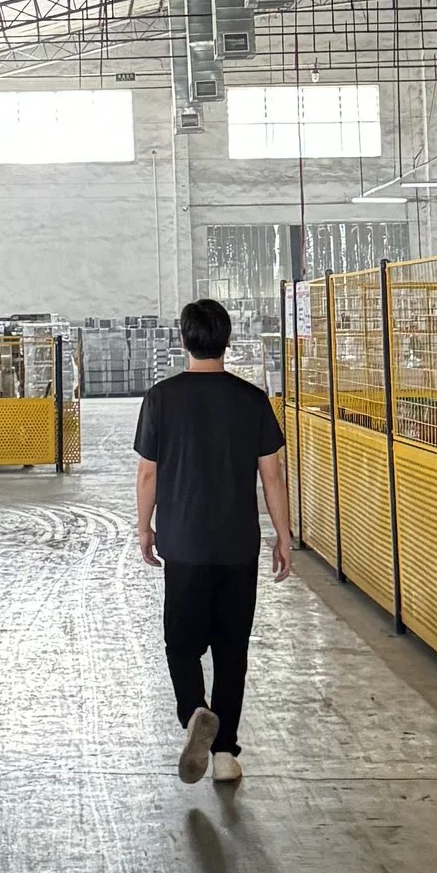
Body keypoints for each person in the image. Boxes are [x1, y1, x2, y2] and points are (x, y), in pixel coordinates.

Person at [133, 297, 293, 787]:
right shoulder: (251, 400)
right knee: (231, 652)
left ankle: (194, 713)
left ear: (183, 339)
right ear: (228, 340)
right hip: (237, 546)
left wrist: (145, 529)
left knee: (181, 645)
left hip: (184, 545)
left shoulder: (161, 399)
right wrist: (283, 537)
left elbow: (147, 475)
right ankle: (224, 753)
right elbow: (273, 477)